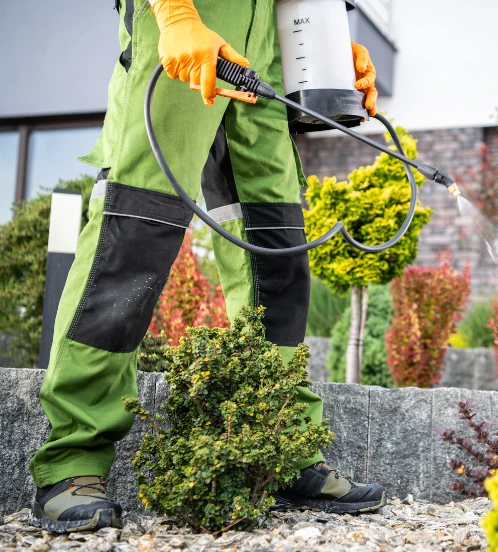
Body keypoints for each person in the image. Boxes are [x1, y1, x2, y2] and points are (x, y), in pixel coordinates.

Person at [28, 0, 384, 534]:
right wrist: (173, 15)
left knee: (276, 241)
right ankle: (73, 457)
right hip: (191, 14)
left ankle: (280, 442)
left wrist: (328, 44)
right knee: (136, 227)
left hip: (272, 33)